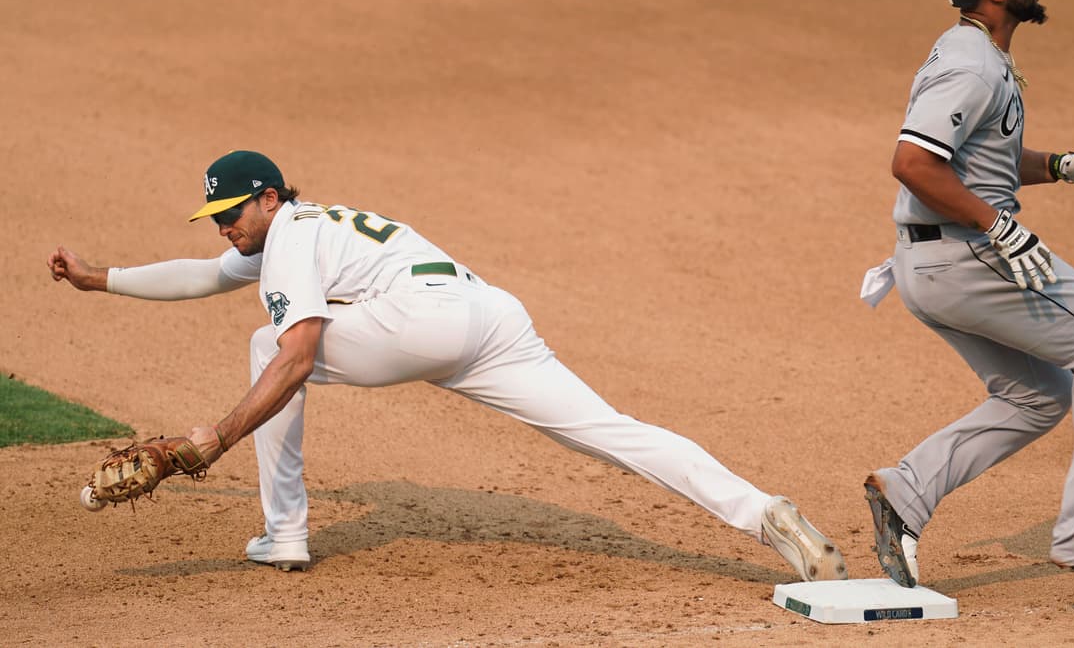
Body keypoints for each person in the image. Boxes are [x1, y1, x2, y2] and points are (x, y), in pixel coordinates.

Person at [49, 150, 848, 581]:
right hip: (489, 316)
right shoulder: (310, 227)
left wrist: (214, 439)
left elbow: (298, 356)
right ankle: (764, 512)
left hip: (419, 322)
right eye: (214, 216)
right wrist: (99, 278)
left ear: (267, 198)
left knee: (273, 346)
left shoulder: (287, 236)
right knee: (613, 430)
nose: (223, 226)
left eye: (231, 211)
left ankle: (284, 532)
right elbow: (202, 275)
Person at [858, 0, 1074, 587]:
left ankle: (906, 491)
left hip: (932, 263)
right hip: (967, 257)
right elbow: (913, 162)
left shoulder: (972, 52)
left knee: (1037, 395)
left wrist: (1056, 165)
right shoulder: (972, 67)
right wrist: (998, 226)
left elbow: (974, 160)